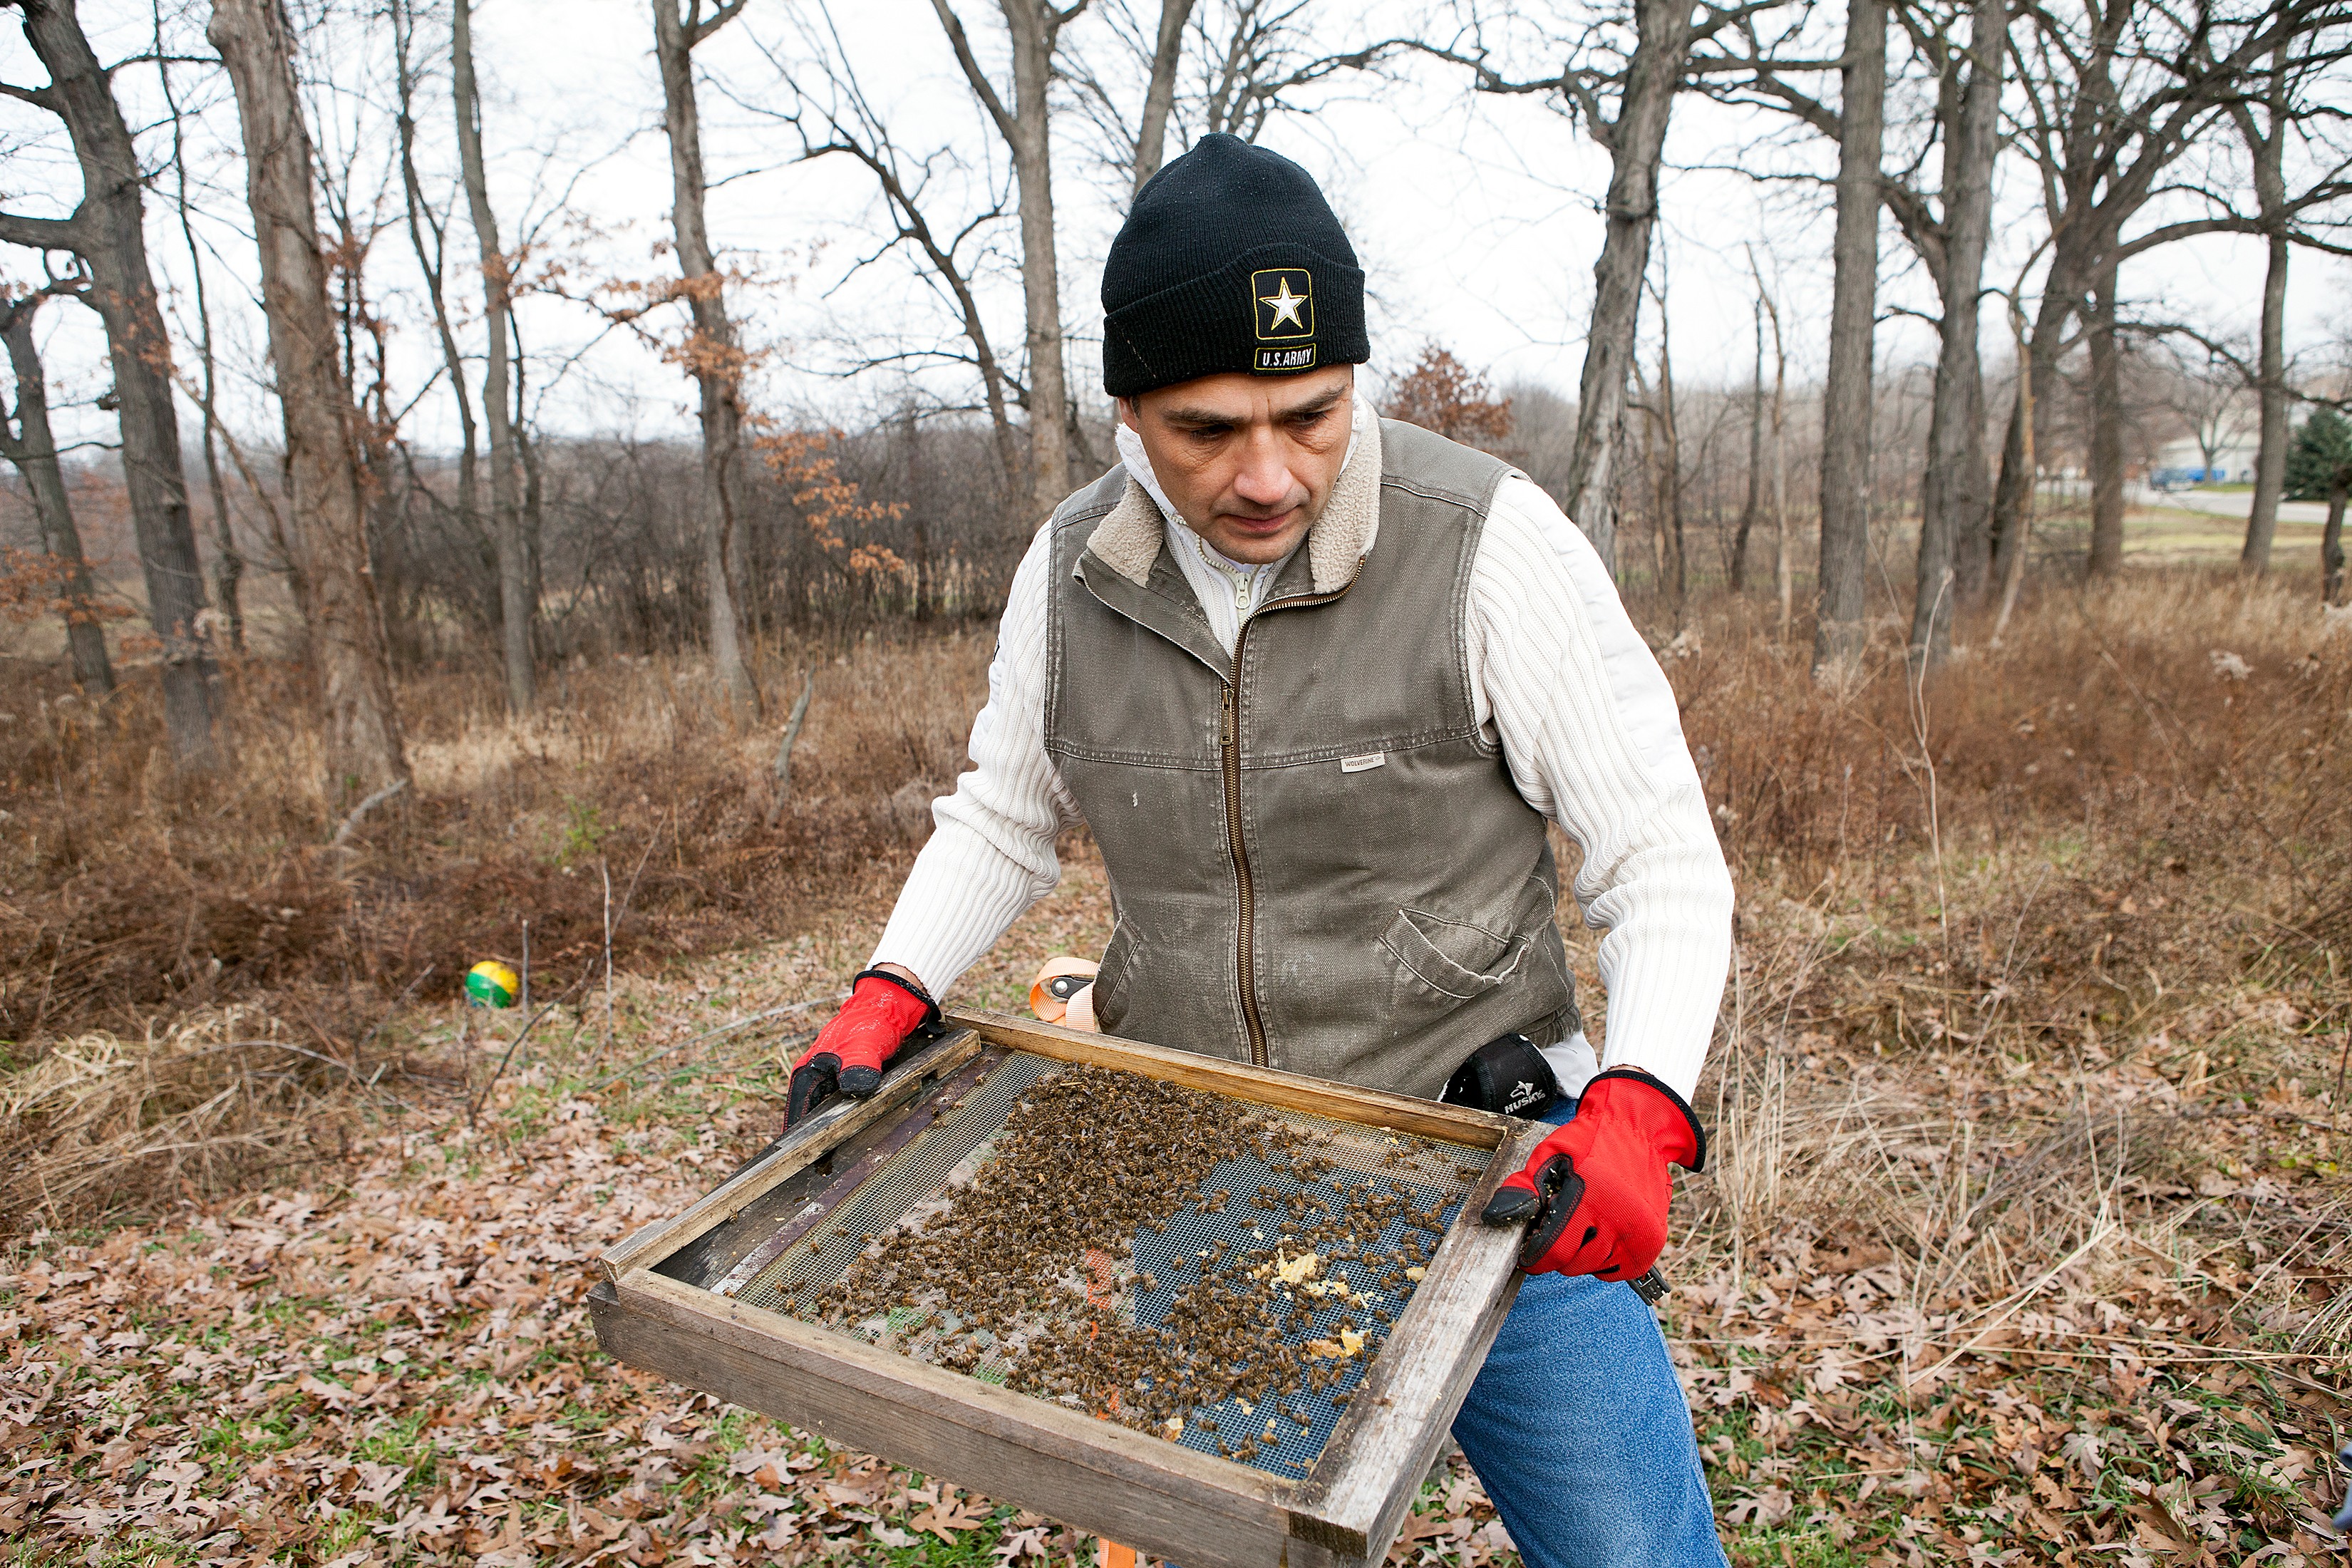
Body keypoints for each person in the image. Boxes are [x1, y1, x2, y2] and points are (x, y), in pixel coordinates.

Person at [784, 133, 1734, 1567]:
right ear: (1128, 410)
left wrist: (1646, 1103)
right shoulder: (1070, 576)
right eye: (1208, 428)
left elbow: (1656, 848)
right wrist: (890, 985)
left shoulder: (1487, 544)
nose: (1270, 473)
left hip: (1500, 1159)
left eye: (1313, 411)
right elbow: (1004, 809)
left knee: (1636, 1555)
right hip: (1212, 1171)